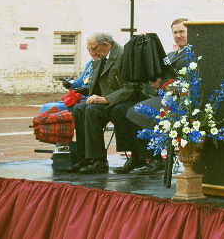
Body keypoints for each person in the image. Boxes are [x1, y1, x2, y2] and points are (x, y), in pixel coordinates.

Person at [122, 18, 190, 175]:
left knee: (139, 111)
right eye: (175, 32)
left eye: (182, 32)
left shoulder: (193, 55)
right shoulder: (171, 55)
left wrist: (162, 85)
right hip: (163, 96)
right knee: (128, 110)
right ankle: (142, 157)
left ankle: (157, 159)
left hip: (178, 101)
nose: (178, 35)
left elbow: (187, 84)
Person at [68, 31, 128, 174]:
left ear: (106, 45)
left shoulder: (123, 55)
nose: (91, 52)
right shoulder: (102, 56)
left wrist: (107, 99)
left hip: (119, 101)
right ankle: (85, 158)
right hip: (104, 99)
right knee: (79, 109)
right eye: (89, 49)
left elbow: (131, 86)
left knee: (91, 110)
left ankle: (99, 161)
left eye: (93, 49)